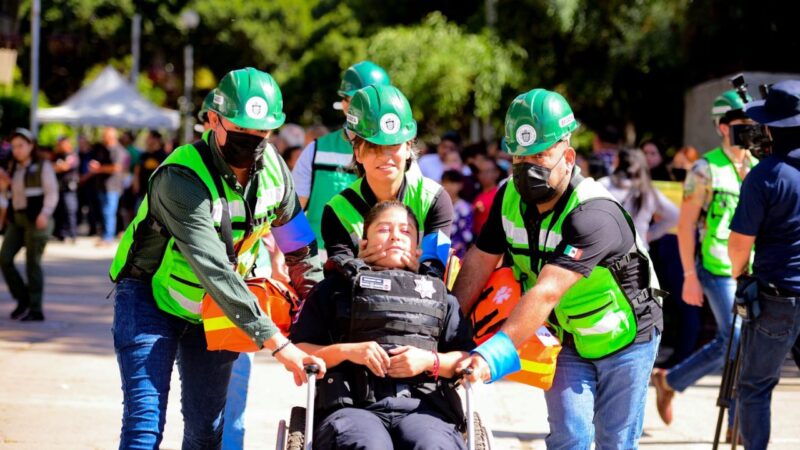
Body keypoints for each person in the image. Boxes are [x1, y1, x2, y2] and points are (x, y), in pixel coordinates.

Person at [107, 68, 326, 449]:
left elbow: (299, 250)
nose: (251, 142)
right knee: (144, 425)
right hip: (149, 298)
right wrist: (277, 343)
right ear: (212, 120)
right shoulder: (181, 176)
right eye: (240, 131)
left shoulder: (275, 171)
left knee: (206, 430)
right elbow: (214, 269)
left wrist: (322, 310)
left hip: (215, 308)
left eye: (261, 134)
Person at [454, 88, 663, 449]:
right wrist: (449, 324)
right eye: (519, 157)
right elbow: (480, 259)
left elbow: (547, 290)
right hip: (566, 335)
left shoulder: (593, 213)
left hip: (628, 337)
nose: (527, 167)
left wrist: (493, 355)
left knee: (615, 441)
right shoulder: (508, 198)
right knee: (569, 437)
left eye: (540, 155)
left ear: (568, 156)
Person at [291, 200, 474, 449]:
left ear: (417, 249)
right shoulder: (335, 289)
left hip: (425, 409)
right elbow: (298, 353)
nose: (396, 237)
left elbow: (468, 360)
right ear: (363, 243)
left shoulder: (440, 295)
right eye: (384, 229)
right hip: (353, 407)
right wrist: (347, 352)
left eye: (406, 231)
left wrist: (430, 361)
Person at [651, 89, 758, 438]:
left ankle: (672, 380)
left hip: (753, 269)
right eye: (742, 122)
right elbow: (685, 227)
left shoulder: (758, 165)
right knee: (738, 337)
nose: (750, 127)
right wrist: (688, 276)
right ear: (723, 126)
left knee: (739, 340)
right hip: (716, 268)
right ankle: (734, 423)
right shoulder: (704, 168)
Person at [728, 80, 800, 450]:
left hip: (777, 297)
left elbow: (739, 244)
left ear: (771, 127)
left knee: (755, 387)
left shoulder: (765, 176)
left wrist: (739, 274)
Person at [322, 84, 454, 278]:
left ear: (409, 147)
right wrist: (357, 266)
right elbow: (338, 278)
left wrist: (419, 269)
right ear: (357, 152)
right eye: (374, 146)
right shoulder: (337, 211)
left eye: (393, 145)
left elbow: (434, 272)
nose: (385, 156)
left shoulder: (435, 200)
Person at [292, 61, 391, 248]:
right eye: (354, 101)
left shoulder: (400, 154)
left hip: (377, 260)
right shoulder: (316, 150)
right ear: (345, 104)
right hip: (322, 259)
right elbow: (291, 212)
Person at [0, 128, 59, 321]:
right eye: (14, 146)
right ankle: (22, 299)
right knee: (5, 258)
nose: (16, 150)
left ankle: (36, 308)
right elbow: (10, 192)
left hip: (37, 220)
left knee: (32, 263)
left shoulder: (43, 166)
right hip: (17, 219)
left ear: (31, 146)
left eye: (21, 146)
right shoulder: (13, 167)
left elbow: (52, 193)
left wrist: (45, 213)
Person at [598, 148, 679, 247]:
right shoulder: (647, 190)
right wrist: (651, 234)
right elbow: (675, 215)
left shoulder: (604, 184)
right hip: (638, 252)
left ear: (618, 162)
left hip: (606, 250)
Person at [88, 127, 125, 245]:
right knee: (104, 212)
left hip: (112, 187)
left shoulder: (118, 150)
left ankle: (108, 237)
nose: (103, 138)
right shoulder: (103, 149)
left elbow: (116, 167)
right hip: (102, 186)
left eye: (105, 136)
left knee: (109, 212)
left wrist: (99, 169)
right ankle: (105, 235)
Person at [52, 136, 80, 242]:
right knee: (59, 212)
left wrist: (58, 167)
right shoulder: (57, 156)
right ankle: (60, 234)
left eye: (61, 144)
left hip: (69, 188)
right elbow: (50, 167)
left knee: (70, 210)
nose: (59, 146)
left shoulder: (72, 155)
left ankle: (72, 234)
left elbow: (65, 167)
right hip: (59, 187)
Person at [131, 130, 168, 209]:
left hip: (156, 194)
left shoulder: (163, 156)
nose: (147, 140)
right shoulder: (144, 155)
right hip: (142, 192)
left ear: (156, 139)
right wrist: (136, 184)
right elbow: (137, 171)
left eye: (149, 138)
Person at [441, 170, 473, 258]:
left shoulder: (465, 207)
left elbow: (466, 234)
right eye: (446, 182)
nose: (449, 186)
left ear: (460, 185)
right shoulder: (438, 205)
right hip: (438, 250)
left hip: (458, 253)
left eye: (453, 183)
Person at [471, 156, 502, 236]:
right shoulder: (476, 194)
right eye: (480, 172)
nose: (483, 175)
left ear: (497, 173)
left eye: (487, 171)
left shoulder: (500, 194)